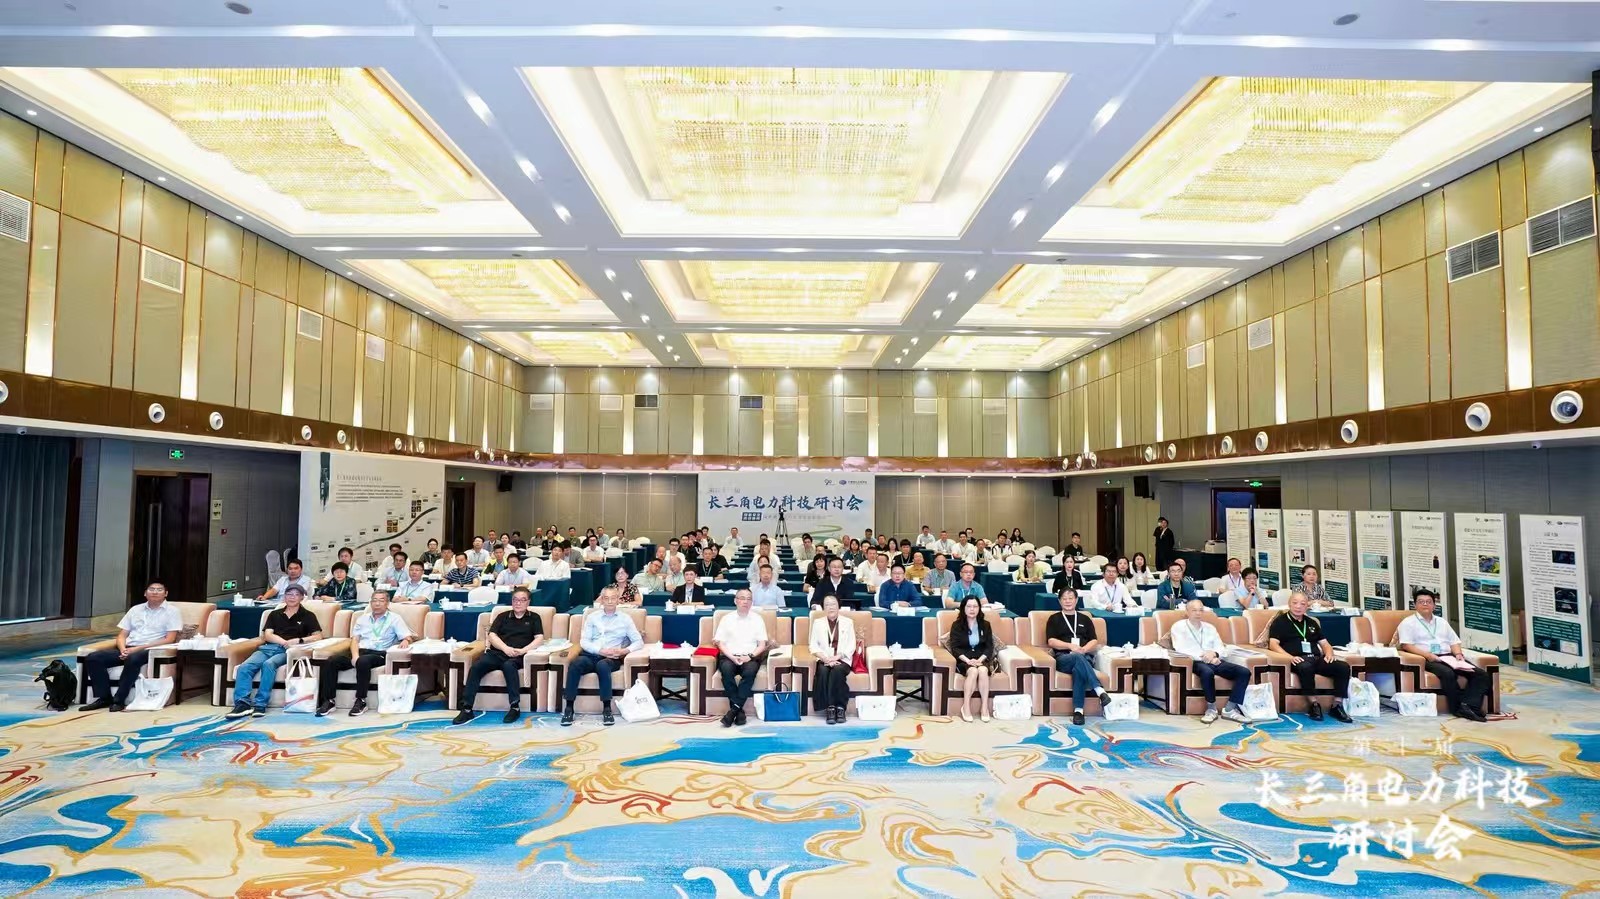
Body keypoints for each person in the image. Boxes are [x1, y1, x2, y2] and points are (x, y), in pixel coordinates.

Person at [79, 581, 183, 712]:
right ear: (145, 593)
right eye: (151, 589)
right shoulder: (135, 610)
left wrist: (136, 649)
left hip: (150, 649)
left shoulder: (172, 612)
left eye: (159, 589)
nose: (155, 592)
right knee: (94, 658)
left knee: (133, 659)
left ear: (166, 593)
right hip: (128, 647)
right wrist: (123, 649)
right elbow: (122, 635)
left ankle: (119, 700)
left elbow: (169, 639)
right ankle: (104, 698)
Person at [226, 585, 323, 718]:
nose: (292, 597)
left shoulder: (308, 615)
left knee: (269, 664)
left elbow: (318, 636)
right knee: (244, 667)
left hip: (289, 651)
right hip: (269, 647)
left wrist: (299, 640)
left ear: (302, 597)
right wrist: (283, 642)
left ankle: (260, 704)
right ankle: (242, 704)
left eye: (296, 594)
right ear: (284, 596)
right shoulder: (274, 614)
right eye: (289, 594)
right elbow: (268, 635)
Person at [315, 589, 412, 717]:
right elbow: (355, 640)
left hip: (379, 653)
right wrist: (355, 655)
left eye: (381, 600)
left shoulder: (395, 619)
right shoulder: (363, 619)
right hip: (360, 651)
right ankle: (329, 700)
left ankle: (361, 700)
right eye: (374, 600)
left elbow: (407, 636)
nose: (377, 603)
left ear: (387, 603)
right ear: (370, 603)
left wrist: (405, 640)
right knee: (331, 661)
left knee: (363, 661)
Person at [1397, 589, 1490, 721]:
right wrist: (1427, 655)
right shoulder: (1408, 623)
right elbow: (1406, 645)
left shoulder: (1442, 622)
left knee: (1481, 674)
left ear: (1434, 605)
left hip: (1448, 656)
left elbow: (1454, 641)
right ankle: (1457, 708)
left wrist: (1458, 654)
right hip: (1427, 657)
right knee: (1448, 673)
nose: (1425, 604)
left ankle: (1470, 706)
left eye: (1428, 602)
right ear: (1415, 605)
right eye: (1421, 602)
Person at [454, 588, 544, 725]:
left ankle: (514, 707)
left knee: (509, 666)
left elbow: (539, 638)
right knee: (477, 667)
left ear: (528, 602)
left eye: (522, 600)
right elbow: (492, 635)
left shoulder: (534, 617)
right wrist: (505, 648)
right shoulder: (502, 616)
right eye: (515, 600)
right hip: (498, 653)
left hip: (518, 655)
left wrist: (523, 650)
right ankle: (466, 709)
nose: (518, 603)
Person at [1267, 591, 1353, 723]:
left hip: (1316, 658)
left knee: (1343, 667)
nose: (1298, 606)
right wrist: (1289, 657)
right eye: (1295, 603)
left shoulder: (1312, 622)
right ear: (1289, 604)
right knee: (1306, 667)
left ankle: (1337, 705)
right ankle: (1314, 704)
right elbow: (1273, 644)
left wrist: (1329, 654)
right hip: (1296, 659)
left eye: (1302, 604)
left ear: (1307, 606)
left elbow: (1325, 644)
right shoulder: (1280, 622)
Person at [561, 588, 643, 726]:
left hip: (611, 658)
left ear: (618, 600)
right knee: (576, 664)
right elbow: (584, 641)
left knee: (603, 666)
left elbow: (638, 641)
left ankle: (607, 708)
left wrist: (624, 651)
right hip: (591, 654)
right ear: (602, 600)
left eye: (613, 598)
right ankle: (569, 708)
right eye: (606, 598)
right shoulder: (592, 617)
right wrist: (600, 651)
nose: (610, 601)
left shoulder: (625, 619)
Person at [1171, 600, 1251, 724]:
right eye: (1194, 610)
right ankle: (1211, 709)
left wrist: (1214, 654)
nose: (1198, 613)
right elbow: (1181, 648)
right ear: (1187, 612)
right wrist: (1206, 657)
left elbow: (1221, 648)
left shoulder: (1210, 627)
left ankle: (1230, 709)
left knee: (1244, 672)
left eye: (1200, 610)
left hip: (1215, 660)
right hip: (1195, 661)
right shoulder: (1179, 627)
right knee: (1207, 672)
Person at [1043, 588, 1108, 725]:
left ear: (1076, 600)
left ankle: (1078, 711)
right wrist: (1070, 646)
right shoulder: (1054, 619)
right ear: (1059, 601)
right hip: (1063, 657)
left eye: (1070, 598)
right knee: (1078, 658)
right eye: (1064, 599)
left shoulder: (1085, 618)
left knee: (1079, 668)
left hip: (1084, 656)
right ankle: (1099, 690)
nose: (1068, 601)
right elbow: (1051, 641)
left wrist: (1084, 649)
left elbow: (1094, 640)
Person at [713, 589, 771, 727]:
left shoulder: (757, 619)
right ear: (735, 600)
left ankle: (733, 711)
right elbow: (720, 643)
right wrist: (732, 657)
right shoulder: (726, 619)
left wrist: (749, 656)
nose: (746, 601)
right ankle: (739, 712)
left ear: (752, 602)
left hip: (750, 657)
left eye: (749, 599)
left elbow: (762, 645)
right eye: (742, 598)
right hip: (729, 656)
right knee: (726, 671)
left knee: (750, 672)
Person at [946, 596, 1000, 722]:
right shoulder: (957, 625)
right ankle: (966, 707)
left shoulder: (985, 625)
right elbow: (955, 648)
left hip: (982, 658)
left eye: (975, 606)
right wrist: (967, 660)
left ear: (979, 608)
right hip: (964, 660)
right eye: (969, 606)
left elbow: (989, 647)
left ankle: (984, 708)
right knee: (973, 671)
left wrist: (980, 660)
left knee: (982, 670)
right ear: (963, 608)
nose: (972, 609)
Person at [810, 594, 855, 724]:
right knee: (823, 671)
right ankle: (830, 708)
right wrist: (825, 658)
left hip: (842, 658)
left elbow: (851, 645)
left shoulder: (848, 622)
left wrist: (837, 657)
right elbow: (813, 645)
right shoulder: (818, 623)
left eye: (833, 604)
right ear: (823, 608)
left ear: (838, 606)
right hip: (824, 658)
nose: (831, 607)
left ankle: (840, 708)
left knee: (837, 670)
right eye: (827, 605)